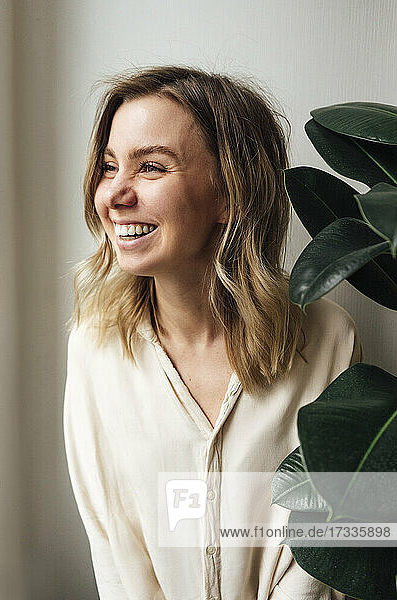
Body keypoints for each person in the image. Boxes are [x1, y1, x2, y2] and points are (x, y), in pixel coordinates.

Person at [63, 65, 362, 600]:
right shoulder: (95, 345)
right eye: (109, 167)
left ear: (229, 194)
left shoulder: (329, 338)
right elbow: (109, 541)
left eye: (150, 167)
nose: (114, 195)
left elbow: (341, 535)